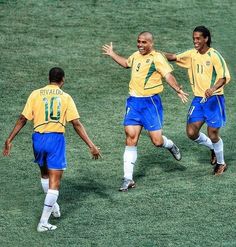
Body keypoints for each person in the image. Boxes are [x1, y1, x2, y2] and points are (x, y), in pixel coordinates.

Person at [3, 67, 101, 232]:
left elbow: (22, 118)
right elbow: (76, 124)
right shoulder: (66, 97)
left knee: (44, 174)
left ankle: (53, 206)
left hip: (38, 140)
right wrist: (91, 145)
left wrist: (9, 139)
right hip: (55, 140)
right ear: (62, 80)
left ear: (49, 79)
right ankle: (43, 223)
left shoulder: (35, 94)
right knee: (54, 183)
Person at [102, 31, 188, 192]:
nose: (140, 45)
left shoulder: (157, 58)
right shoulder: (135, 55)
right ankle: (128, 178)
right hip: (133, 103)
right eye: (138, 42)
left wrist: (177, 89)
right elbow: (126, 63)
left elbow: (168, 76)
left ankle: (169, 145)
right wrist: (112, 54)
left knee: (157, 141)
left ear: (151, 43)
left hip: (150, 104)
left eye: (143, 42)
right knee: (131, 138)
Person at [164, 26, 231, 175]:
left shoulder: (214, 55)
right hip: (198, 99)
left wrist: (212, 88)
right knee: (191, 132)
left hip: (214, 99)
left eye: (198, 38)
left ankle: (221, 163)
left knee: (213, 133)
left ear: (206, 39)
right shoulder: (192, 54)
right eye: (194, 38)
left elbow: (224, 77)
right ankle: (213, 148)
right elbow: (174, 57)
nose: (195, 41)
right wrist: (156, 54)